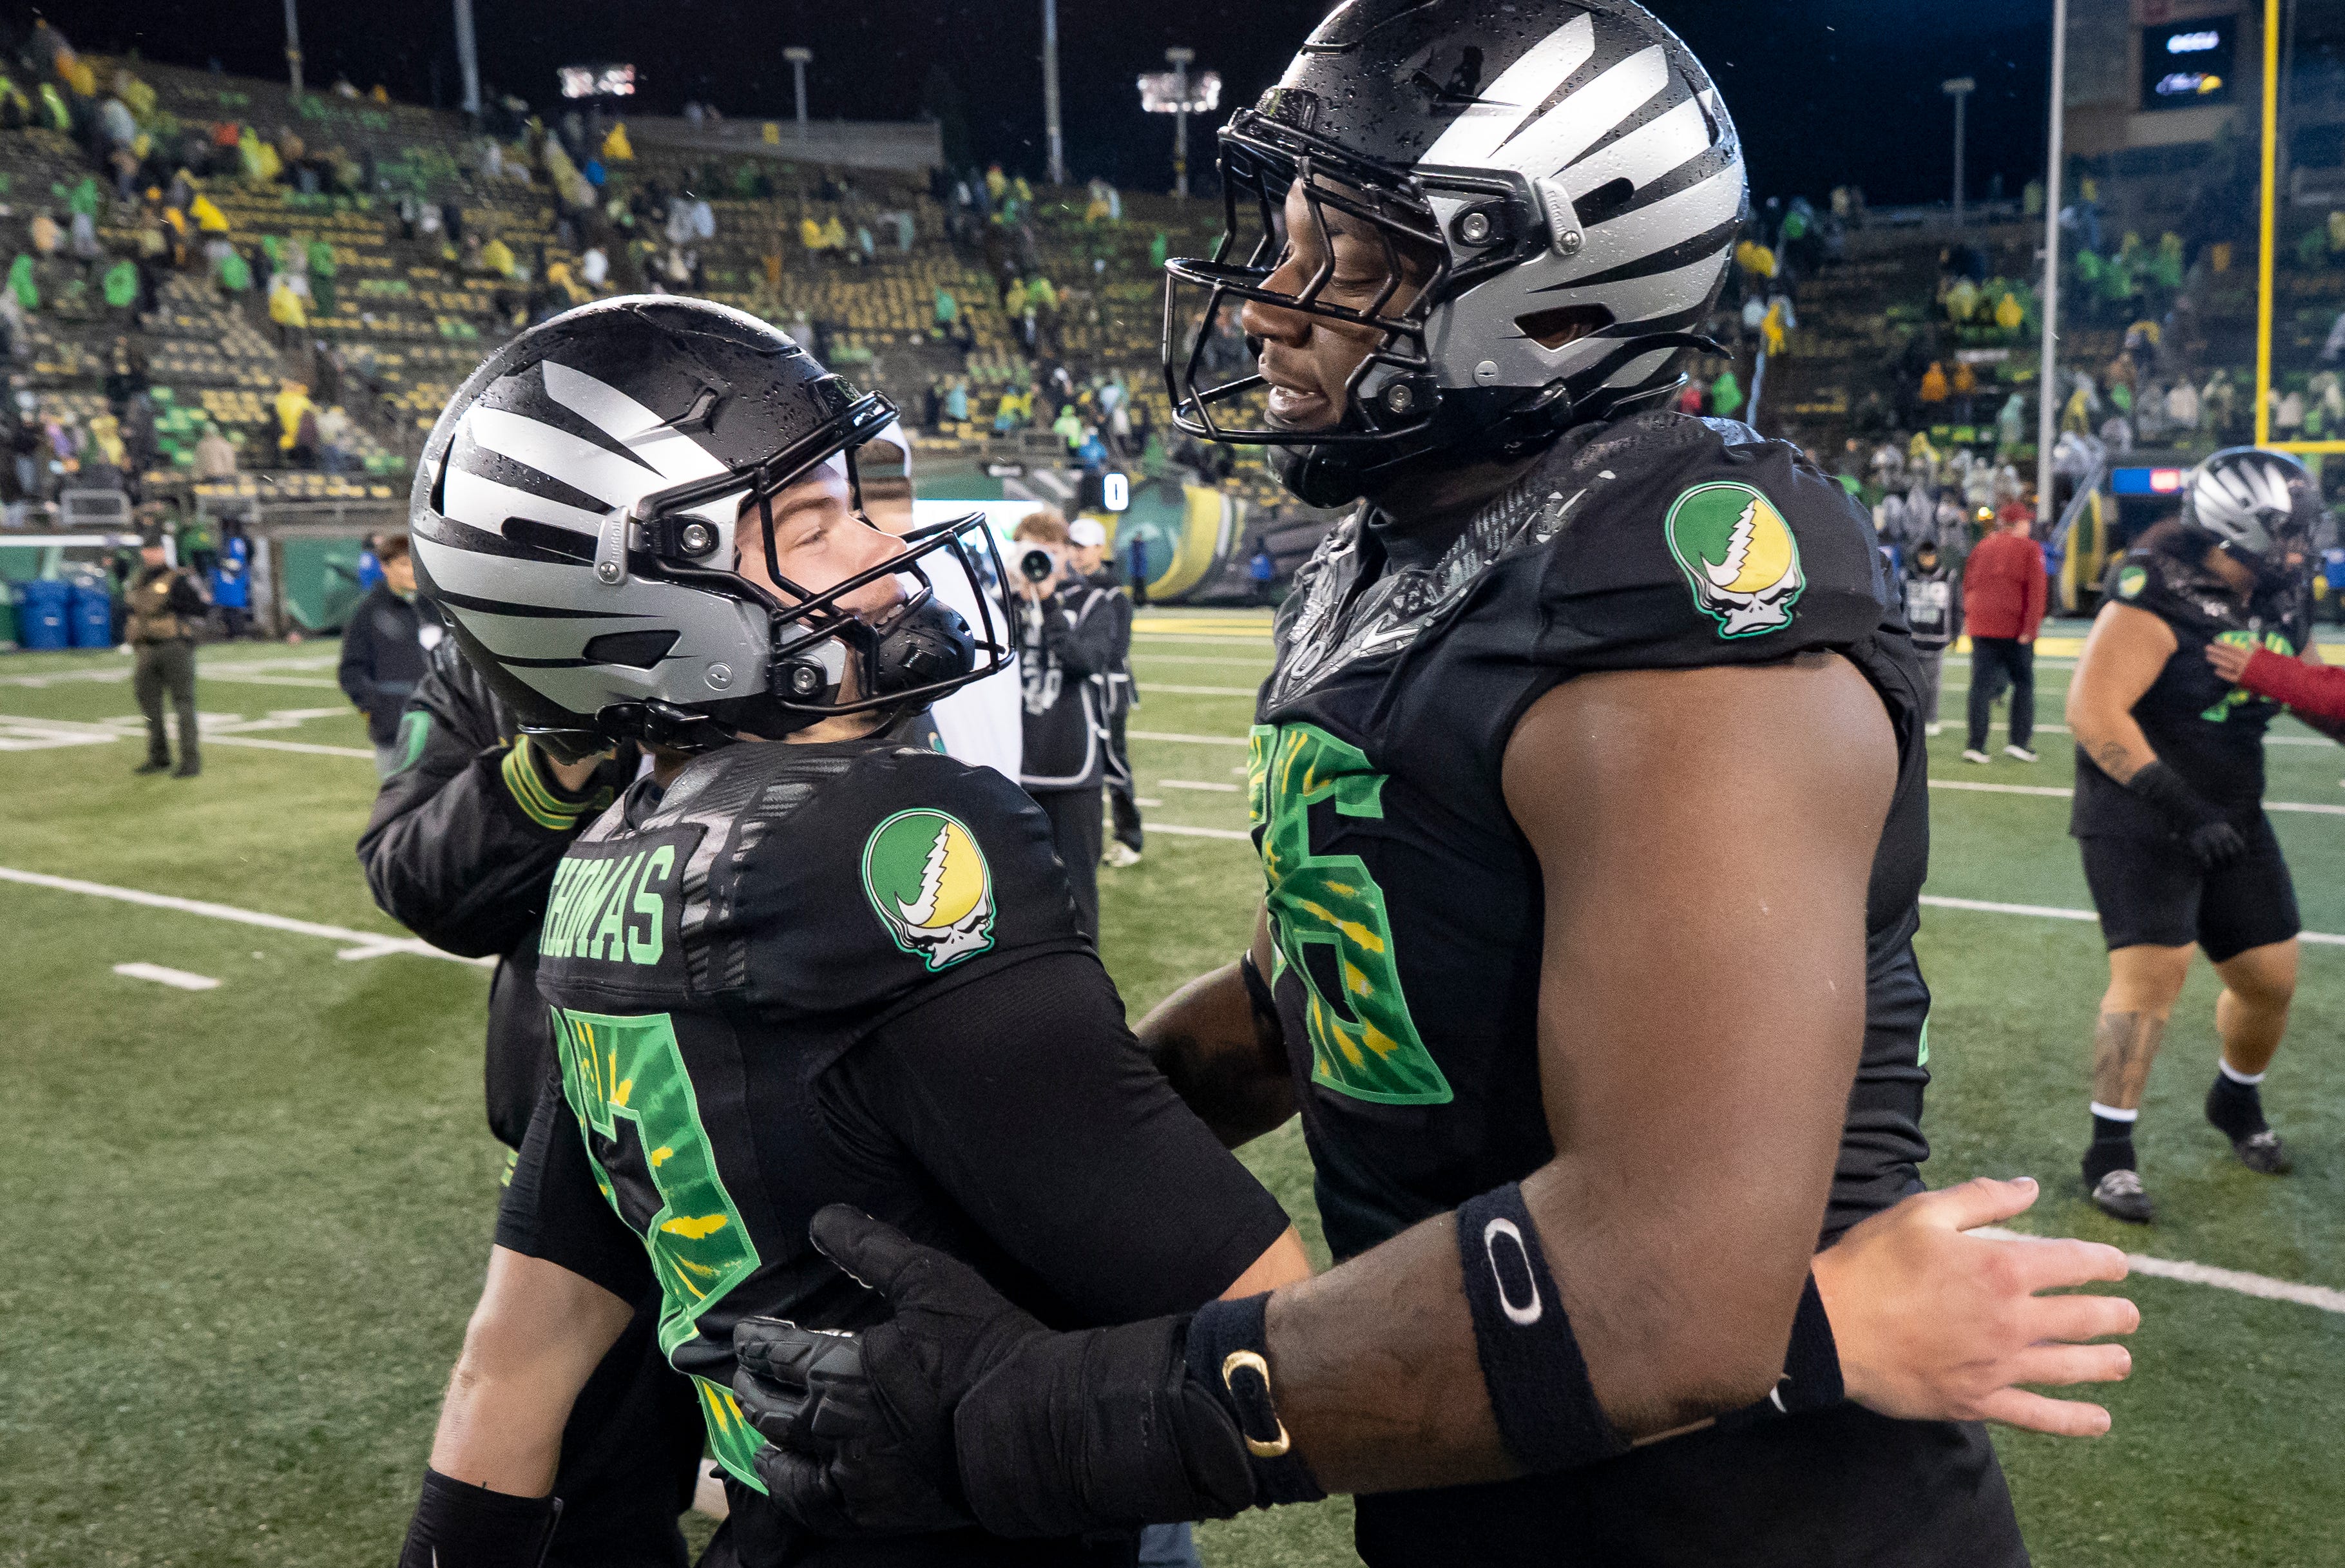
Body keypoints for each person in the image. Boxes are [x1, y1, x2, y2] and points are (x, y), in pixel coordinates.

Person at [732, 5, 2140, 1562]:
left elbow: (1662, 1289)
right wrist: (1001, 1163)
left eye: (1346, 249)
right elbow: (1317, 995)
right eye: (1282, 229)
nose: (1269, 299)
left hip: (1747, 1518)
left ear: (1541, 290)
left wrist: (1046, 1414)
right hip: (1485, 1485)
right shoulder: (1393, 550)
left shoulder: (1673, 603)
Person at [388, 298, 1305, 1567]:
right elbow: (1265, 1300)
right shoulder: (885, 831)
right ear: (658, 597)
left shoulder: (605, 865)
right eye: (816, 522)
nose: (889, 541)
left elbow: (512, 1359)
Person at [2064, 448, 2323, 1223]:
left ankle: (2232, 1098)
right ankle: (2108, 1150)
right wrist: (2179, 805)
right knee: (2153, 975)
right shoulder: (2153, 596)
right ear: (2236, 529)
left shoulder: (2277, 599)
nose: (2300, 550)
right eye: (2287, 534)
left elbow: (2305, 683)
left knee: (2270, 977)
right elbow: (2091, 710)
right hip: (2139, 808)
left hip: (2233, 807)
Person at [1010, 510, 1119, 939]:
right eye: (1031, 551)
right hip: (1012, 761)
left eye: (1051, 552)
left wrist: (1049, 603)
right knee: (1014, 887)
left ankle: (1084, 977)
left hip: (1073, 763)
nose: (1041, 562)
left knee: (1077, 890)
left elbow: (1085, 661)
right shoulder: (998, 607)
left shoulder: (1093, 602)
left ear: (1067, 556)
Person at [336, 535, 446, 778]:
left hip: (445, 728)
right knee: (399, 806)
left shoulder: (438, 609)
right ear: (385, 568)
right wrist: (376, 706)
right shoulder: (368, 612)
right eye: (405, 564)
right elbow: (351, 669)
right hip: (394, 728)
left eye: (416, 564)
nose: (413, 572)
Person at [1069, 516, 1142, 868]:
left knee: (1113, 759)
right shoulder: (1067, 587)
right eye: (1073, 546)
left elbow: (1115, 648)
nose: (1076, 554)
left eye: (1082, 547)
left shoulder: (1113, 594)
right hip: (1081, 688)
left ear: (1099, 549)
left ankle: (1129, 838)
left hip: (1109, 688)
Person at [1960, 506, 2047, 764]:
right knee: (2023, 683)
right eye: (2025, 521)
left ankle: (1976, 745)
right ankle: (2019, 742)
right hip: (2014, 629)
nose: (2028, 526)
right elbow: (2036, 592)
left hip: (1982, 627)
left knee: (1980, 687)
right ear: (2018, 523)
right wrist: (2030, 628)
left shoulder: (1982, 546)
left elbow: (1969, 585)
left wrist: (1971, 620)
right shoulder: (2030, 549)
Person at [125, 535, 207, 778]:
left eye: (155, 549)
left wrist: (175, 604)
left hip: (174, 647)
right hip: (146, 649)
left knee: (183, 704)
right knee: (149, 706)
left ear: (163, 552)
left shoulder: (177, 579)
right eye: (147, 550)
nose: (150, 554)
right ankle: (159, 757)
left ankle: (190, 762)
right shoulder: (139, 579)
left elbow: (201, 607)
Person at [209, 521, 252, 638]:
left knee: (233, 609)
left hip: (232, 580)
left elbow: (237, 563)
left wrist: (220, 563)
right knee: (228, 609)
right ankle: (232, 633)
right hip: (228, 580)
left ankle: (238, 633)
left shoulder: (235, 542)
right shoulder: (232, 541)